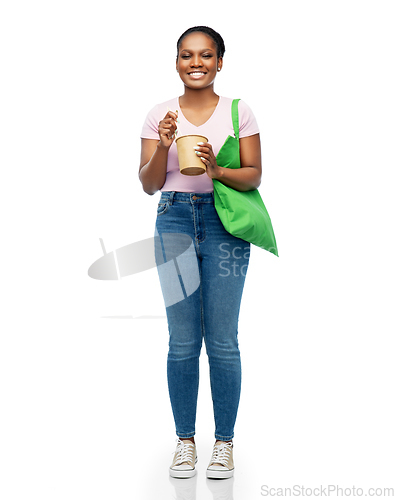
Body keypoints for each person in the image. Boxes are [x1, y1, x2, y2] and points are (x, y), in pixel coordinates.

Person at [139, 26, 262, 479]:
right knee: (183, 340)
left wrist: (217, 170)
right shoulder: (159, 115)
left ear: (219, 62)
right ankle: (186, 441)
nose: (196, 62)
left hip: (224, 223)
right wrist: (166, 146)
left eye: (206, 55)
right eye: (187, 55)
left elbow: (253, 176)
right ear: (176, 62)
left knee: (224, 340)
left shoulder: (237, 111)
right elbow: (150, 183)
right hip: (173, 220)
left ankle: (224, 443)